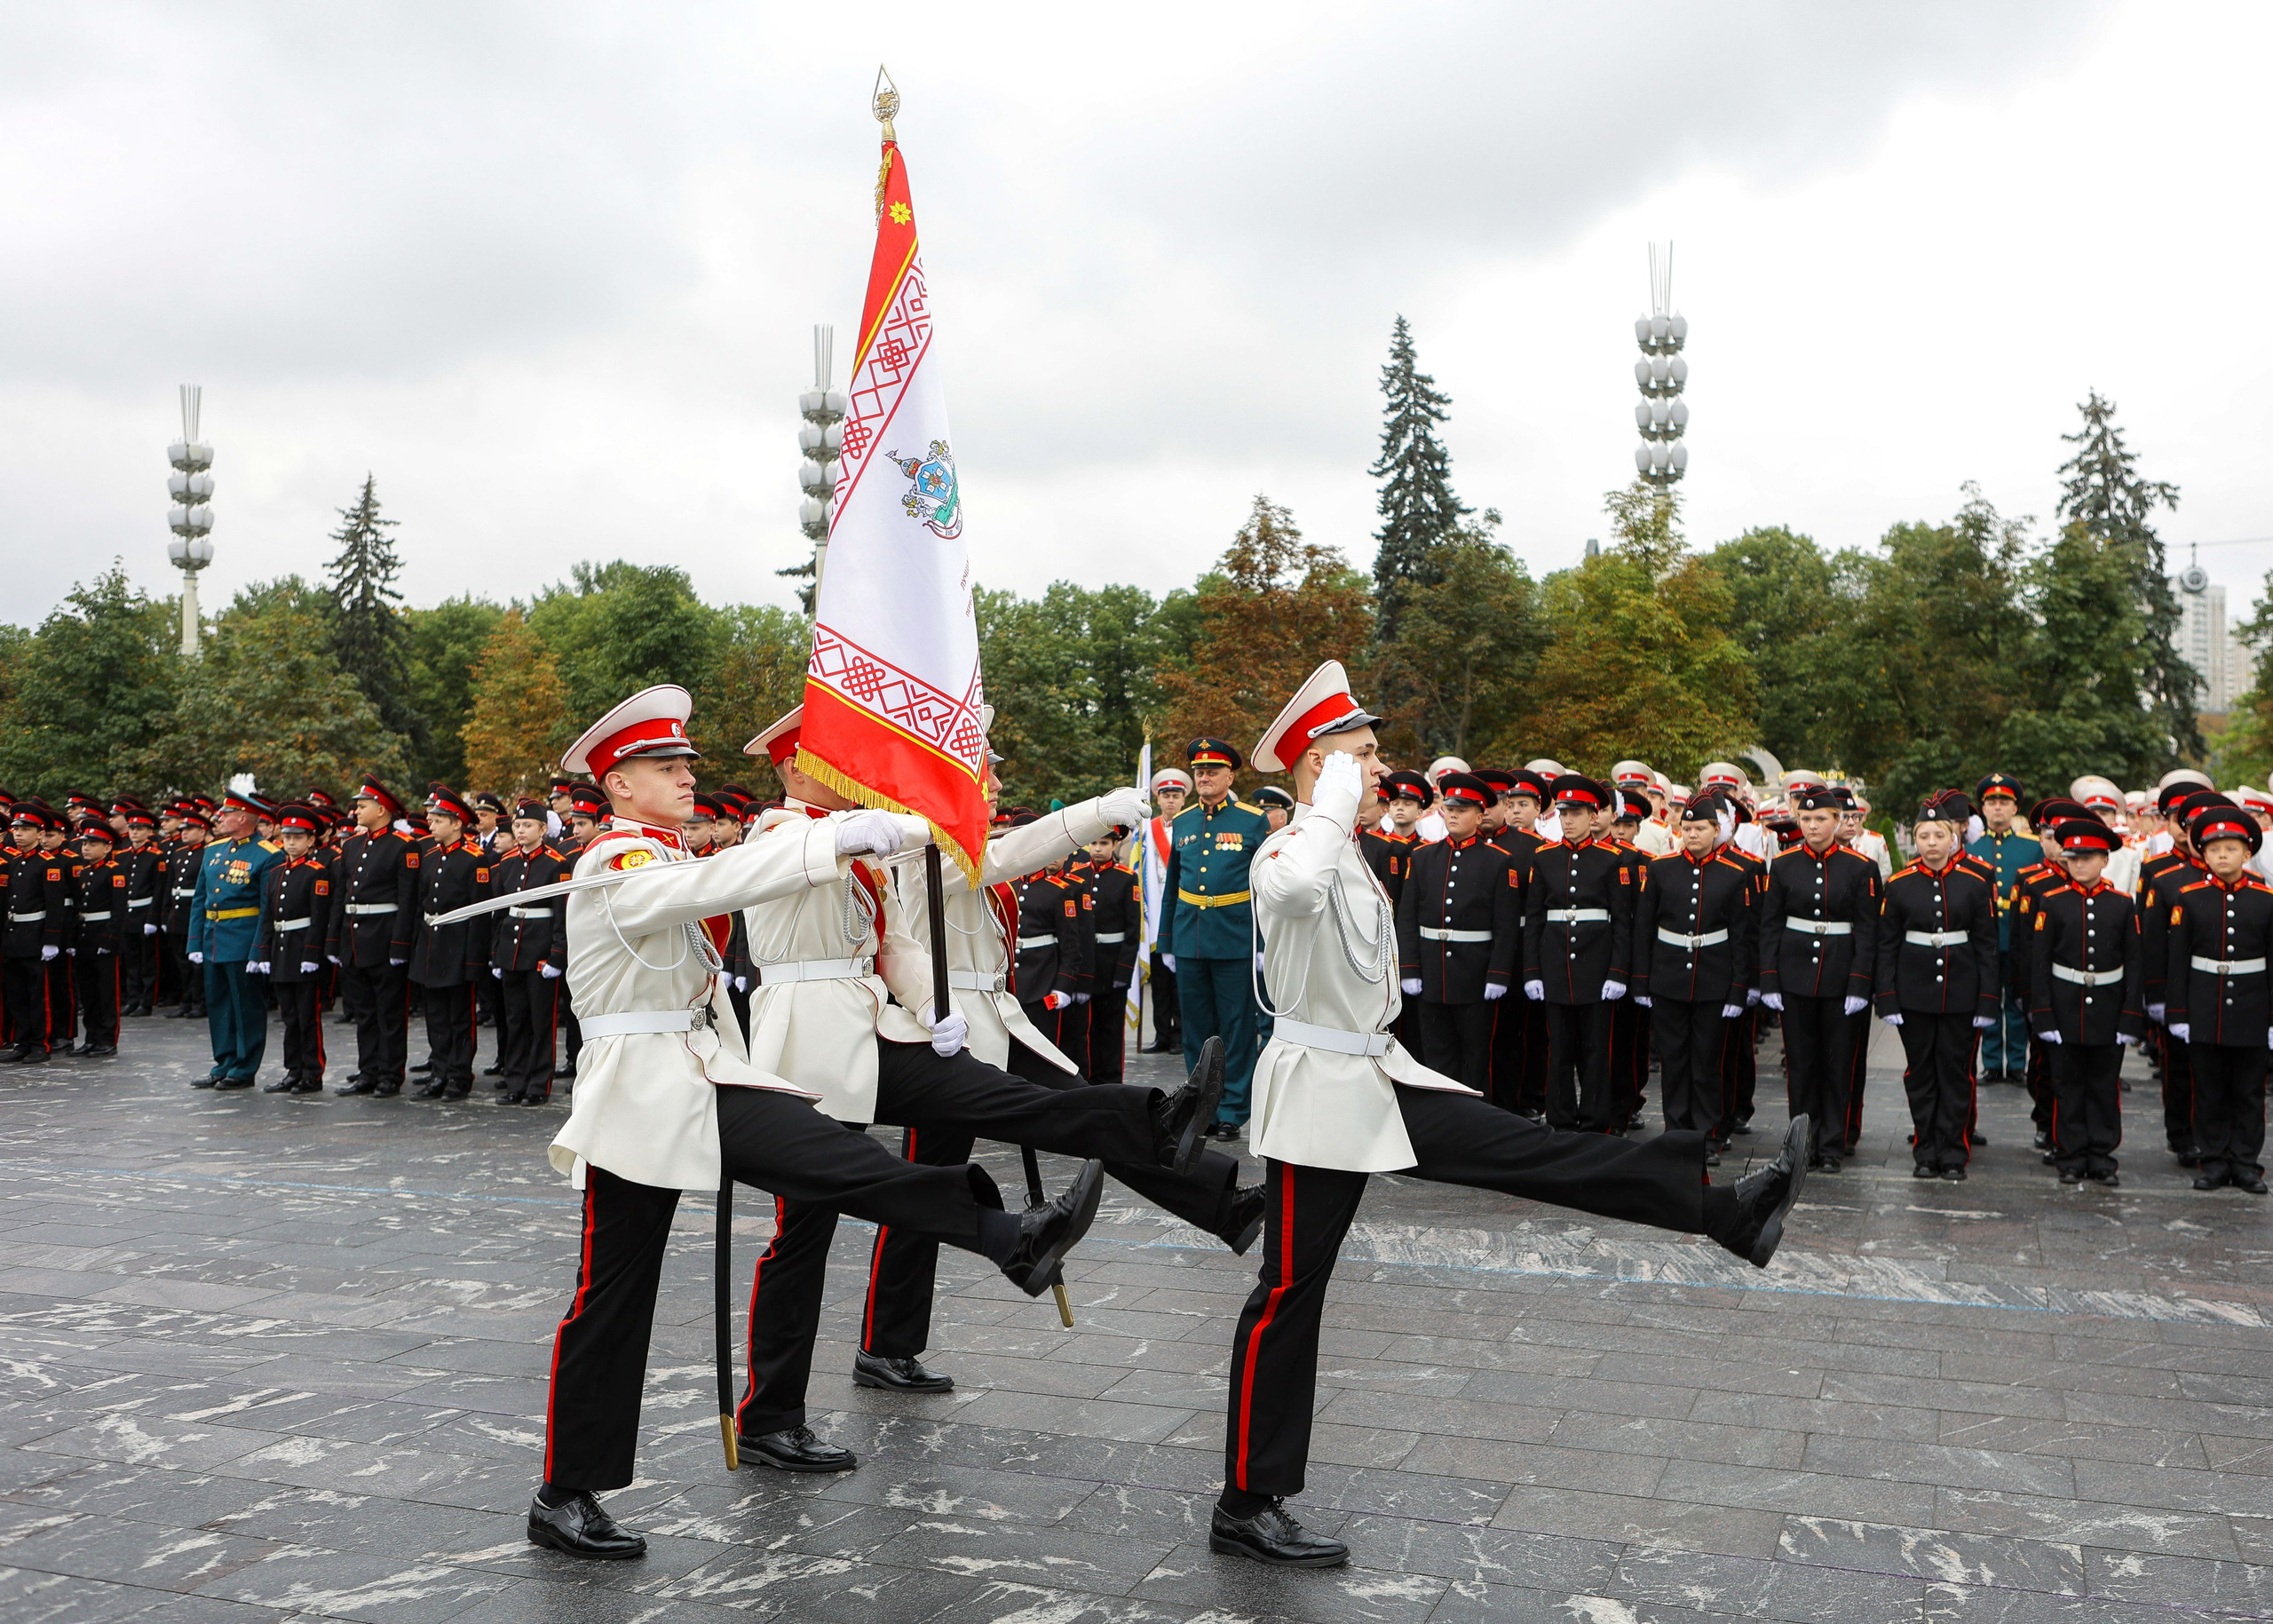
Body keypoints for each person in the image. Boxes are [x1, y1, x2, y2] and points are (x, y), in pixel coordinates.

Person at [1214, 661, 1809, 1567]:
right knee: (1287, 1293)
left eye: (1371, 757)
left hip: (1375, 1076)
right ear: (1320, 767)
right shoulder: (1289, 851)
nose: (1379, 771)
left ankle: (1723, 1209)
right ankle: (1245, 1503)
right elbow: (1295, 889)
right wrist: (1329, 789)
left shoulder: (1352, 850)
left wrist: (1338, 796)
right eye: (1361, 756)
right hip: (1312, 1097)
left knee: (1532, 1150)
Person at [527, 686, 1113, 1559]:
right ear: (615, 785)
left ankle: (1004, 1233)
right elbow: (716, 881)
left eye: (688, 762)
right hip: (637, 1098)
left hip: (706, 1075)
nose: (688, 775)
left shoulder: (662, 852)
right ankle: (565, 1490)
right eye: (666, 766)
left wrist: (895, 823)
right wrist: (828, 839)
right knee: (613, 1292)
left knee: (836, 1159)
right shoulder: (618, 862)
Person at [1875, 795, 2000, 1181]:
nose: (1931, 843)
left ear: (1953, 839)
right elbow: (1886, 945)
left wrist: (1987, 999)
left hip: (1962, 993)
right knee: (1921, 1074)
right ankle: (1925, 1150)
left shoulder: (1976, 882)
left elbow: (1986, 944)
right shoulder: (1898, 884)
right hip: (1915, 995)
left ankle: (1953, 1153)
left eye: (1938, 835)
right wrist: (1887, 995)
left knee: (1956, 1074)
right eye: (1923, 835)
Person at [1760, 782, 1881, 1173]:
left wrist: (1861, 982)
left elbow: (1867, 929)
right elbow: (1770, 926)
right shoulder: (1783, 865)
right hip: (1795, 976)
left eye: (1820, 819)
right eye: (1806, 819)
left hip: (1841, 976)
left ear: (1837, 820)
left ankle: (1832, 1145)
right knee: (1801, 1065)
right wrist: (1770, 979)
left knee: (1837, 1064)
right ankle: (1801, 1147)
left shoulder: (1861, 868)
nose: (1812, 826)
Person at [1160, 738, 1271, 1139]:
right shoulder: (1186, 821)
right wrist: (1167, 941)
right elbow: (1174, 884)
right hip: (1191, 938)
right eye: (1199, 771)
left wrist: (1261, 945)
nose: (1204, 777)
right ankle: (1200, 1107)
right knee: (1196, 1028)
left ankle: (1232, 1109)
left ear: (1230, 775)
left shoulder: (1252, 820)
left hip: (1235, 937)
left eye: (1211, 771)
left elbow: (1264, 889)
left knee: (1237, 1027)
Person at [1632, 793, 1754, 1154]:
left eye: (1700, 828)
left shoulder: (1735, 874)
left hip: (1714, 980)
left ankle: (1708, 1135)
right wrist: (1642, 981)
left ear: (1716, 830)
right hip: (1669, 978)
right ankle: (1676, 1132)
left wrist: (1737, 989)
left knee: (1707, 1060)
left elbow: (1742, 937)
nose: (1692, 835)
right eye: (1686, 828)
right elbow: (1644, 928)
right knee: (1674, 1060)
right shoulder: (1661, 868)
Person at [2164, 803, 2273, 1194]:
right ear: (2202, 854)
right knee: (2207, 1089)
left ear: (2248, 853)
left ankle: (2245, 1163)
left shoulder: (2266, 899)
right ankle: (2212, 1161)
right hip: (2205, 1005)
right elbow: (2178, 960)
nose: (2221, 856)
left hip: (2251, 1008)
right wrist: (2178, 1011)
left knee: (2248, 1091)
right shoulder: (2189, 898)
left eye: (2230, 848)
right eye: (2213, 849)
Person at [2030, 816, 2144, 1186]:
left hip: (2109, 1009)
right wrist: (2043, 1014)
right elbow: (2040, 962)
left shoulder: (2123, 904)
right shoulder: (2052, 901)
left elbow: (2134, 963)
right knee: (2067, 1084)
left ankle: (2102, 1156)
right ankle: (2071, 1156)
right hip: (2064, 1008)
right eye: (2073, 858)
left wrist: (2130, 1016)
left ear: (2105, 860)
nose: (2080, 865)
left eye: (2088, 858)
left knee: (2103, 1085)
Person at [1393, 772, 1517, 1096]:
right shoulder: (1422, 858)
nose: (1452, 815)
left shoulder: (1498, 862)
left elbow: (1505, 926)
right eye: (1449, 808)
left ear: (1479, 815)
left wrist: (1498, 974)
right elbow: (1407, 917)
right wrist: (1409, 968)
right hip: (1432, 974)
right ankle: (1442, 1123)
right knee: (1436, 1057)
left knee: (1476, 1057)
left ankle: (1477, 1126)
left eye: (1461, 810)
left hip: (1475, 976)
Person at [1522, 774, 1632, 1133]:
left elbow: (1621, 923)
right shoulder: (1544, 857)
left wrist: (1617, 972)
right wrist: (1532, 971)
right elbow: (1535, 919)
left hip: (1596, 968)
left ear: (1594, 815)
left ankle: (1596, 1121)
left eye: (1577, 813)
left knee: (1597, 1052)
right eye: (1564, 813)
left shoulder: (1611, 860)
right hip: (1555, 967)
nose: (1568, 820)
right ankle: (1561, 1119)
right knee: (1559, 1053)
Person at [186, 790, 284, 1089]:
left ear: (243, 818)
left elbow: (267, 908)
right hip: (213, 937)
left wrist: (259, 949)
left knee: (246, 1007)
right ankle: (223, 1062)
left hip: (243, 939)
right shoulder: (213, 850)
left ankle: (244, 1068)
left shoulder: (268, 854)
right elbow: (200, 899)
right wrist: (194, 942)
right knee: (218, 1004)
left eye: (226, 813)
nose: (219, 818)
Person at [329, 776, 420, 1097]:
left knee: (390, 1012)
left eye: (362, 806)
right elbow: (341, 896)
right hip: (354, 939)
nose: (355, 810)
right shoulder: (352, 845)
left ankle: (390, 1073)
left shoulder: (403, 846)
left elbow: (408, 899)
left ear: (382, 810)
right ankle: (367, 1070)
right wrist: (333, 941)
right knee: (364, 1012)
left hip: (384, 939)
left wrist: (400, 943)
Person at [409, 788, 493, 1101]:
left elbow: (480, 913)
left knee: (459, 1016)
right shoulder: (429, 856)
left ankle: (459, 1075)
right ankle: (439, 1071)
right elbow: (421, 904)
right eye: (430, 820)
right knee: (436, 1017)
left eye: (438, 820)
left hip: (458, 946)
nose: (431, 825)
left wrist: (474, 960)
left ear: (456, 823)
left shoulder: (475, 859)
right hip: (431, 945)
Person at [489, 797, 571, 1105]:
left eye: (527, 826)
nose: (521, 831)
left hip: (540, 949)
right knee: (515, 1019)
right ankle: (516, 1080)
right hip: (512, 950)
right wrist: (496, 952)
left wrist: (557, 955)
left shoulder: (555, 863)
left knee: (541, 1021)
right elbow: (499, 910)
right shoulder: (507, 862)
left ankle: (538, 1084)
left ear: (543, 829)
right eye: (517, 825)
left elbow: (561, 913)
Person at [251, 804, 337, 1094]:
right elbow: (268, 916)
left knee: (307, 1017)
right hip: (281, 951)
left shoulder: (317, 872)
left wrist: (312, 953)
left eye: (298, 837)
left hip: (302, 952)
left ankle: (312, 1073)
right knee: (289, 1017)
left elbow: (319, 917)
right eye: (287, 836)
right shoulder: (276, 873)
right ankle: (293, 1070)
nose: (290, 842)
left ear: (311, 840)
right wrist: (264, 952)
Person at [1967, 773, 2032, 1083]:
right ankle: (1992, 1062)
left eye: (2003, 802)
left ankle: (2017, 1063)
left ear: (2014, 808)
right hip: (1986, 939)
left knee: (2017, 1003)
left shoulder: (2031, 850)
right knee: (1989, 1000)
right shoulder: (1971, 851)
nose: (1997, 809)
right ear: (1982, 808)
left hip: (2018, 937)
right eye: (1991, 802)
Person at [1077, 827, 1142, 1083]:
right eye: (1093, 843)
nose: (1098, 849)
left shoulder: (1126, 878)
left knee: (1111, 1029)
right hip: (1084, 965)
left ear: (1115, 845)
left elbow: (1133, 928)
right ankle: (1087, 1080)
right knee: (1084, 1029)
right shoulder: (1077, 876)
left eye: (1104, 843)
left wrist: (1124, 969)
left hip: (1111, 964)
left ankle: (1111, 1082)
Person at [1139, 767, 1189, 1053]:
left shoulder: (1191, 826)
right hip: (1154, 913)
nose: (1171, 801)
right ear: (1158, 800)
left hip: (1181, 909)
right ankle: (1161, 1034)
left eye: (1176, 796)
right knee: (1159, 980)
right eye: (1166, 796)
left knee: (1179, 980)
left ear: (1183, 799)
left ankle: (1180, 1035)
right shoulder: (1147, 829)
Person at [70, 822, 128, 1058]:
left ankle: (107, 1039)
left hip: (103, 936)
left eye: (92, 844)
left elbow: (118, 910)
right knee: (88, 992)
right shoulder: (84, 872)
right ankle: (91, 1038)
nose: (86, 848)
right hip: (85, 937)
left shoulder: (115, 871)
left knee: (106, 992)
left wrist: (110, 939)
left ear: (107, 847)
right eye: (84, 843)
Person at [162, 809, 210, 1020]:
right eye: (183, 829)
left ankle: (200, 1002)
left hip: (195, 913)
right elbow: (169, 886)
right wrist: (164, 914)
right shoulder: (178, 854)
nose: (184, 833)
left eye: (190, 829)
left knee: (197, 963)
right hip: (177, 914)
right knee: (181, 963)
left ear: (202, 830)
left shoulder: (208, 853)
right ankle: (187, 1000)